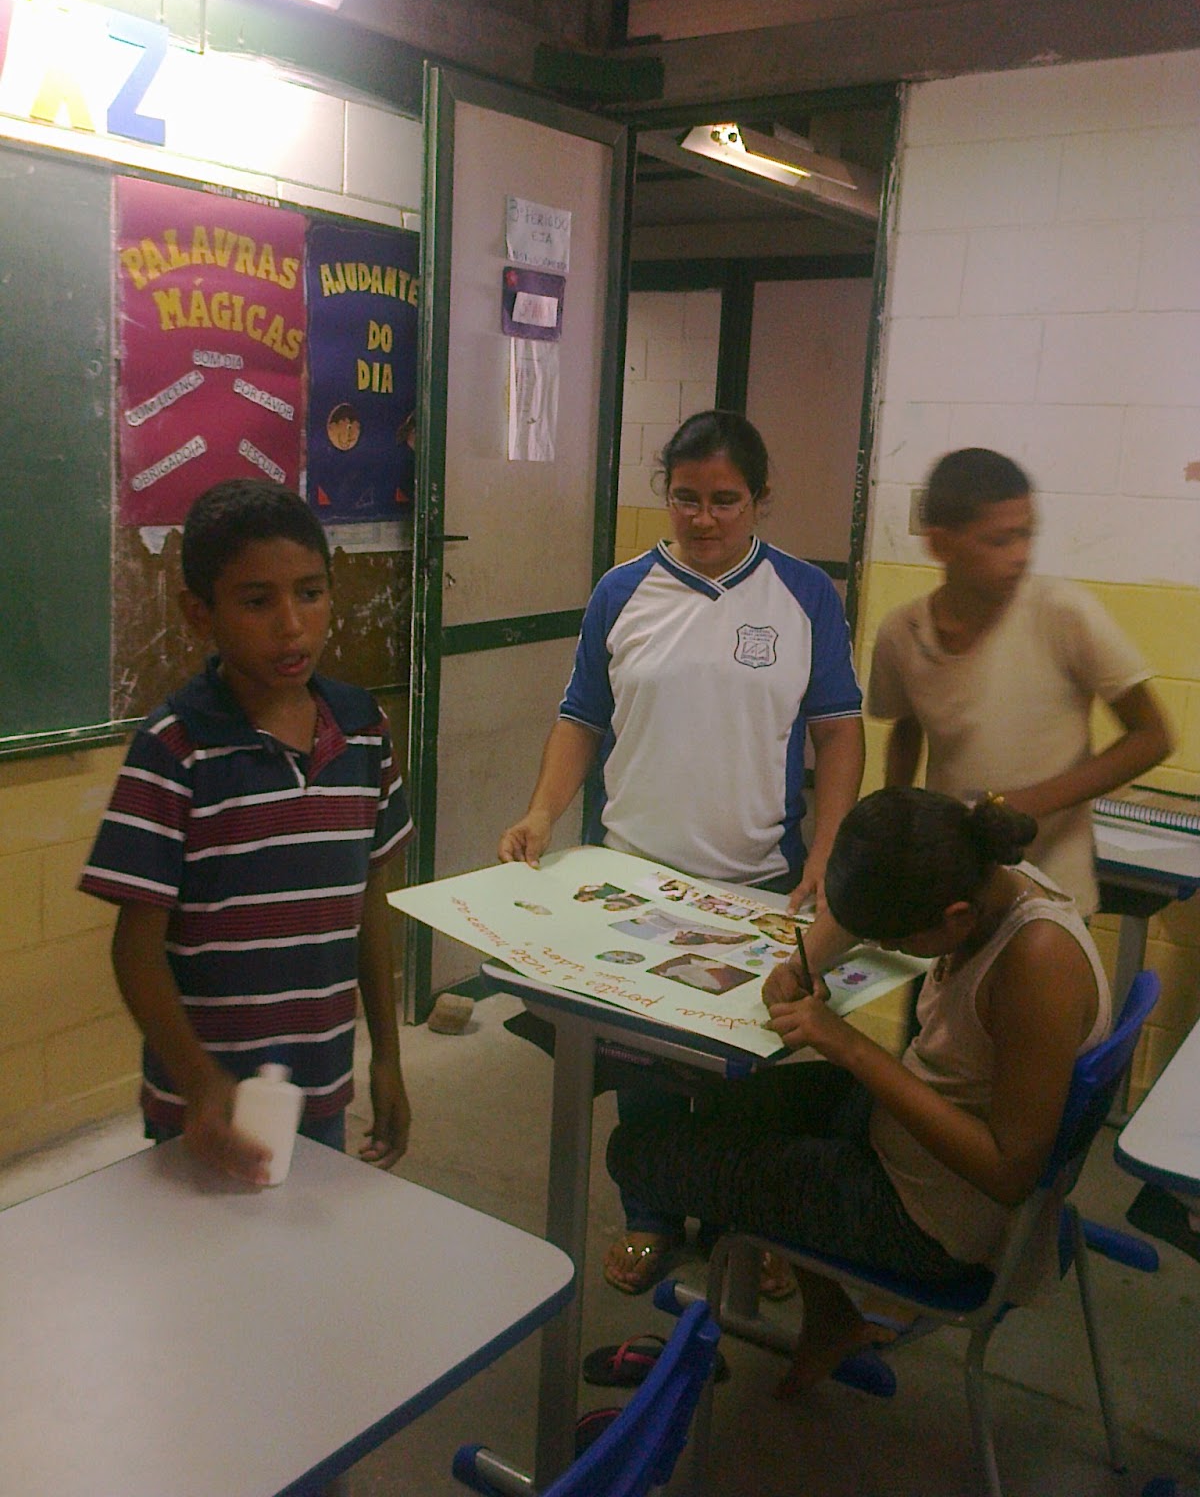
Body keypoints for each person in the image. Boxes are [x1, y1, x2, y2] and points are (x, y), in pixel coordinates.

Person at [499, 409, 865, 1295]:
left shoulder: (805, 595)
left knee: (749, 1072)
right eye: (686, 497)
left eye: (725, 500)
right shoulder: (622, 591)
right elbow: (581, 718)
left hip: (759, 881)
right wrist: (544, 812)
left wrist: (828, 848)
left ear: (761, 499)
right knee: (643, 1064)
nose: (704, 518)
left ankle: (750, 1223)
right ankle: (652, 1214)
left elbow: (838, 730)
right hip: (636, 878)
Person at [607, 787, 1112, 1393]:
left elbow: (1009, 1173)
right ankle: (829, 1315)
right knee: (725, 1107)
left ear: (954, 917)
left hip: (934, 1224)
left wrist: (847, 1044)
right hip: (906, 1143)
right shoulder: (984, 871)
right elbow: (859, 911)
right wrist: (800, 965)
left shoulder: (1036, 962)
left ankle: (816, 1297)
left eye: (894, 942)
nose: (887, 950)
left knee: (635, 1153)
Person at [79, 479, 413, 1185]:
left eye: (311, 593)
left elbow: (368, 906)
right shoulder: (175, 750)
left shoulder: (363, 731)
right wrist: (199, 1081)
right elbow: (135, 949)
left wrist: (386, 1055)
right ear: (199, 614)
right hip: (206, 1108)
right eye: (258, 602)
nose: (291, 625)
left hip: (321, 1088)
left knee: (309, 1241)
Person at [868, 447, 1172, 916]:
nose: (1021, 555)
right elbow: (907, 729)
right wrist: (897, 828)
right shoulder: (901, 632)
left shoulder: (1064, 613)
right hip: (954, 892)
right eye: (1000, 540)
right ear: (940, 545)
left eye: (1027, 534)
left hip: (1052, 898)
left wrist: (1030, 802)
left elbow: (1153, 736)